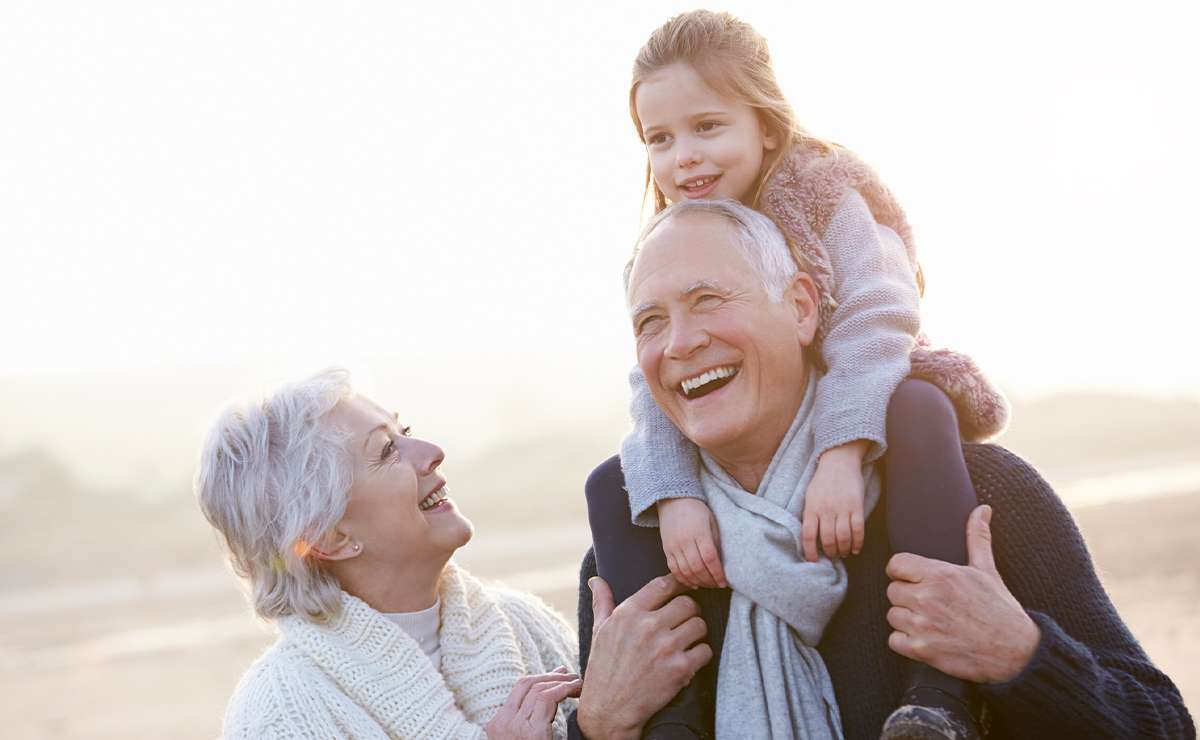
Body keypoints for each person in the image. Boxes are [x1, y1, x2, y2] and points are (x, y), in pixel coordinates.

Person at [577, 200, 1194, 738]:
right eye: (649, 322)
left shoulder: (979, 494)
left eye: (707, 299)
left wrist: (1020, 657)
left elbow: (1164, 726)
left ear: (800, 306)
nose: (679, 343)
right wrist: (598, 727)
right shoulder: (633, 558)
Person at [611, 10, 1005, 737]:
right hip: (753, 427)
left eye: (706, 127)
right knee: (614, 482)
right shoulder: (670, 244)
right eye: (659, 140)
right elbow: (651, 386)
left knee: (920, 409)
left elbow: (876, 318)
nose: (683, 158)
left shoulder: (825, 194)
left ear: (766, 124)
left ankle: (937, 694)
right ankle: (669, 717)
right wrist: (673, 499)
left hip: (867, 387)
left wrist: (841, 452)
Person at [196, 369, 585, 738]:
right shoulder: (277, 716)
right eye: (387, 451)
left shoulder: (526, 624)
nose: (432, 452)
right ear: (329, 537)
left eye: (407, 432)